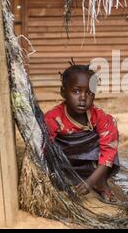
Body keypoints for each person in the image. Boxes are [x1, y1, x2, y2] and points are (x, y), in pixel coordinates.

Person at [44, 64, 120, 203]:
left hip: (91, 163)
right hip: (65, 162)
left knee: (110, 140)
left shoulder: (101, 118)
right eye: (76, 91)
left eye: (89, 93)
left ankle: (101, 183)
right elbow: (43, 148)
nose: (83, 98)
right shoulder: (53, 118)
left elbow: (108, 152)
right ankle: (63, 181)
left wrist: (90, 182)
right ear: (63, 92)